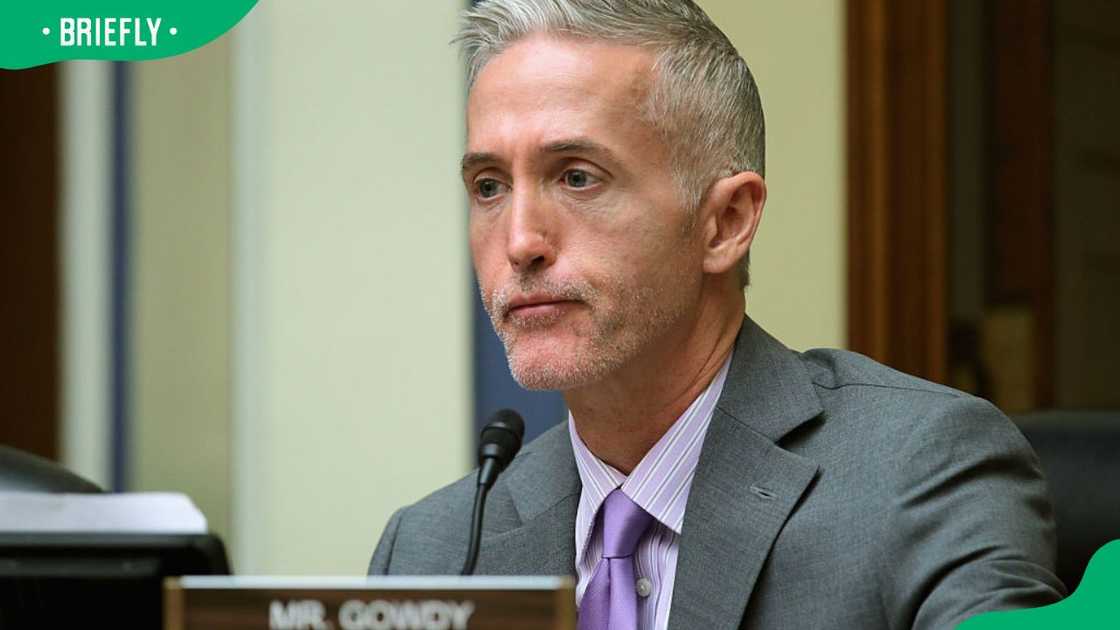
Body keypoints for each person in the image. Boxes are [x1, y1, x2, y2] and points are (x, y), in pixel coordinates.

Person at [369, 1, 1066, 628]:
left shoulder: (918, 473)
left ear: (725, 222)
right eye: (488, 186)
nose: (519, 241)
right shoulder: (435, 547)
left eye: (577, 176)